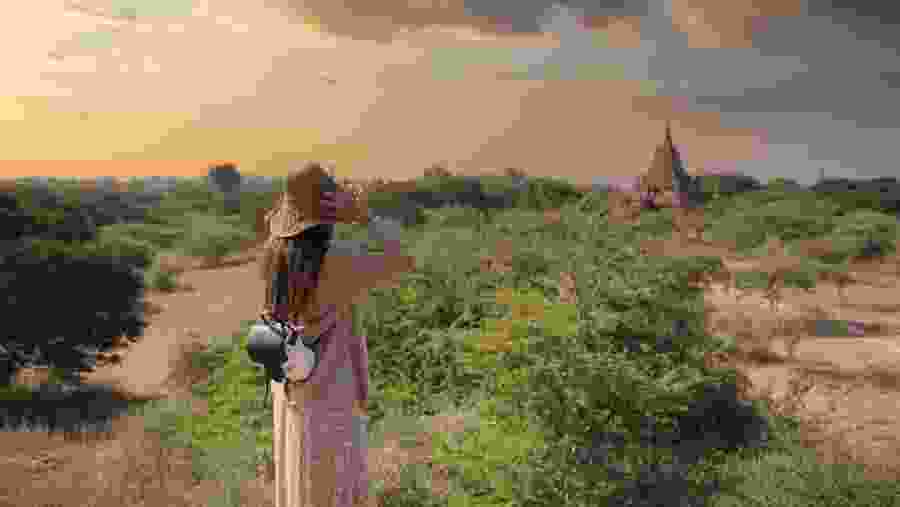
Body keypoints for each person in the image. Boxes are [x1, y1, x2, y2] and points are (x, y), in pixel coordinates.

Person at [259, 162, 414, 507]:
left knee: (300, 485)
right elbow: (403, 256)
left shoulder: (273, 257)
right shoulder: (336, 261)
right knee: (335, 488)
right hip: (332, 399)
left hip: (291, 394)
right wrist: (363, 216)